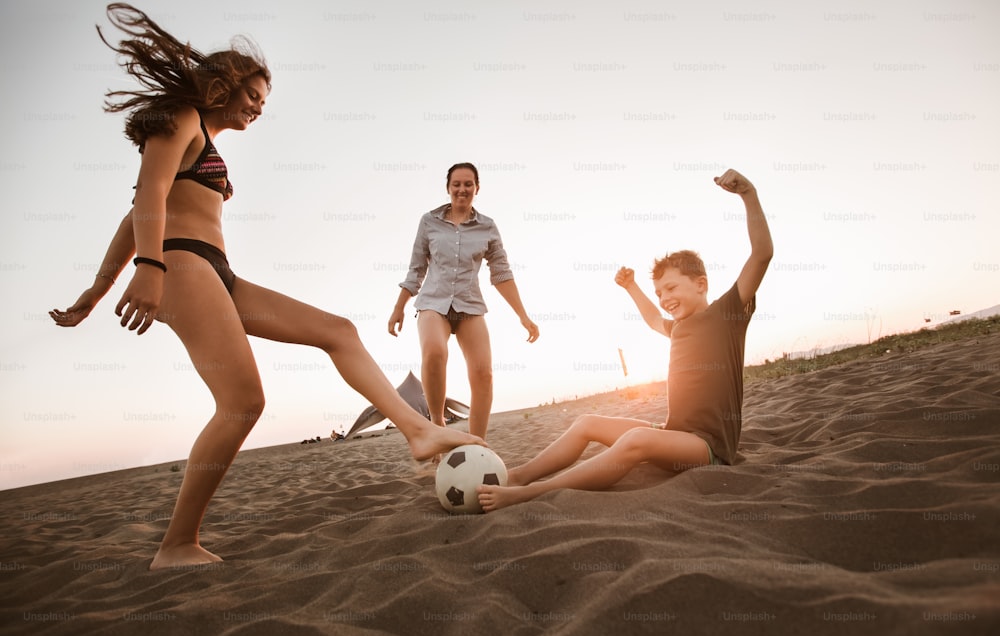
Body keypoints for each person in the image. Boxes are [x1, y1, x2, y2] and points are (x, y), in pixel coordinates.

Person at [49, 3, 481, 570]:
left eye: (263, 101)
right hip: (180, 265)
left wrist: (96, 289)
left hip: (214, 270)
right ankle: (176, 545)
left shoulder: (204, 137)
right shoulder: (181, 118)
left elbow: (134, 220)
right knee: (242, 402)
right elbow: (146, 201)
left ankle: (418, 432)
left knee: (338, 331)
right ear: (223, 84)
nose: (258, 106)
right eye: (253, 94)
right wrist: (146, 270)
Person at [477, 169, 773, 511]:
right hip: (672, 435)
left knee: (637, 439)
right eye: (660, 291)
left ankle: (534, 493)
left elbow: (762, 254)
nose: (664, 298)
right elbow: (651, 319)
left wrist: (748, 194)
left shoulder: (725, 315)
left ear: (701, 284)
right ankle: (519, 477)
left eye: (672, 288)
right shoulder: (678, 329)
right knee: (586, 423)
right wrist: (632, 287)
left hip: (707, 449)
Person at [388, 163, 540, 439]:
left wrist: (523, 316)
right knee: (435, 352)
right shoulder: (429, 222)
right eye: (456, 184)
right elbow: (416, 269)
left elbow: (501, 273)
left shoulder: (488, 227)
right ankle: (437, 425)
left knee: (484, 373)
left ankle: (477, 443)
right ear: (448, 188)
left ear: (477, 188)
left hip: (470, 307)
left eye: (468, 184)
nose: (462, 189)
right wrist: (399, 307)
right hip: (433, 304)